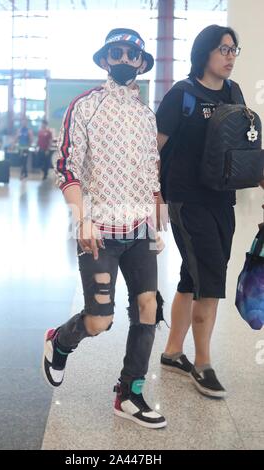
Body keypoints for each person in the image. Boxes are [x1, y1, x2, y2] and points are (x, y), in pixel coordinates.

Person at [42, 28, 167, 429]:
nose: (126, 60)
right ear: (104, 59)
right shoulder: (85, 106)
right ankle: (59, 342)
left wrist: (157, 223)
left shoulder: (147, 116)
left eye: (134, 55)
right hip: (99, 231)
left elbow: (152, 174)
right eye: (118, 52)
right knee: (99, 321)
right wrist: (81, 218)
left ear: (142, 63)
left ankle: (129, 393)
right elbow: (67, 168)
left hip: (141, 231)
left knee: (148, 307)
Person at [156, 25, 245, 398]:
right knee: (209, 272)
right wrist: (153, 196)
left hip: (222, 197)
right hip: (186, 198)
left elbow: (244, 147)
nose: (229, 56)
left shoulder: (233, 93)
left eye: (233, 50)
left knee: (192, 276)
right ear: (204, 52)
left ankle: (172, 352)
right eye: (223, 49)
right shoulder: (181, 95)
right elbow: (154, 150)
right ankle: (203, 363)